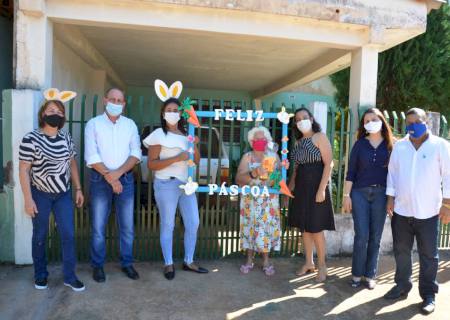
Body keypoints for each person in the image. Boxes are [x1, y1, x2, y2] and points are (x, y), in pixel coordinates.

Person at [383, 108, 450, 315]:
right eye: (409, 123)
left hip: (428, 212)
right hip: (402, 211)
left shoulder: (441, 146)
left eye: (417, 121)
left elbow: (448, 176)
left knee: (428, 255)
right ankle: (402, 285)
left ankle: (428, 294)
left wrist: (447, 205)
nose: (413, 126)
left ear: (426, 121)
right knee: (401, 251)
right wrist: (390, 199)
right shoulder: (401, 146)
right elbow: (392, 173)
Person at [18, 89, 85, 291]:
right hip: (40, 194)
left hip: (63, 194)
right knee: (39, 235)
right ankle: (40, 275)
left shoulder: (66, 138)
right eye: (50, 109)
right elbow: (23, 170)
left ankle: (70, 276)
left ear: (62, 117)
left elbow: (72, 163)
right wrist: (28, 200)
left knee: (68, 234)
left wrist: (78, 188)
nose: (54, 112)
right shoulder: (31, 139)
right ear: (43, 114)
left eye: (59, 110)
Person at [145, 97, 208, 280]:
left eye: (176, 110)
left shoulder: (187, 134)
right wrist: (176, 158)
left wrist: (194, 145)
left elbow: (196, 160)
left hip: (186, 184)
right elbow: (151, 164)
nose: (173, 113)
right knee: (168, 224)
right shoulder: (158, 134)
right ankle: (168, 263)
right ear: (163, 114)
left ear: (181, 113)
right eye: (169, 110)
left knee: (193, 222)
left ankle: (188, 261)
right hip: (166, 184)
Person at [85, 88, 141, 282]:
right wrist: (110, 177)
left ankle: (127, 263)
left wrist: (116, 175)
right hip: (100, 180)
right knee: (98, 226)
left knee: (127, 226)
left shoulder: (130, 125)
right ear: (105, 100)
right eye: (112, 99)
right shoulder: (93, 124)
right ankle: (98, 266)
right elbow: (91, 156)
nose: (116, 103)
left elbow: (136, 153)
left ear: (124, 104)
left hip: (124, 179)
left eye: (120, 100)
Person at [343, 108, 394, 289]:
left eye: (374, 118)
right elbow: (351, 172)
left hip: (381, 194)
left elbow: (394, 175)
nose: (370, 122)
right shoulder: (359, 145)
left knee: (375, 237)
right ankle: (356, 274)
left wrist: (391, 199)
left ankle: (370, 275)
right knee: (361, 235)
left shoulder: (390, 146)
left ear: (381, 120)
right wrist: (346, 195)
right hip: (359, 194)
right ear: (363, 126)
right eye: (366, 121)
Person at [287, 107, 335, 282]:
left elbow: (329, 164)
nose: (301, 121)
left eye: (304, 117)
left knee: (316, 228)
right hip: (301, 188)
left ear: (312, 118)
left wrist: (322, 189)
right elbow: (297, 169)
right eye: (298, 119)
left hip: (316, 186)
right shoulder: (299, 143)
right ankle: (309, 263)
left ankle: (322, 266)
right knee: (305, 228)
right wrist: (289, 189)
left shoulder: (320, 137)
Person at [236, 126, 283, 276]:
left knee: (266, 229)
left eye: (263, 139)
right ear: (251, 142)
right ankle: (249, 260)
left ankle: (266, 261)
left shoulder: (273, 156)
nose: (260, 141)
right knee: (250, 227)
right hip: (250, 201)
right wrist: (254, 173)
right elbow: (238, 179)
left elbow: (280, 177)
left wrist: (281, 169)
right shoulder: (247, 157)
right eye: (257, 139)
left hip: (269, 201)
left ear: (268, 141)